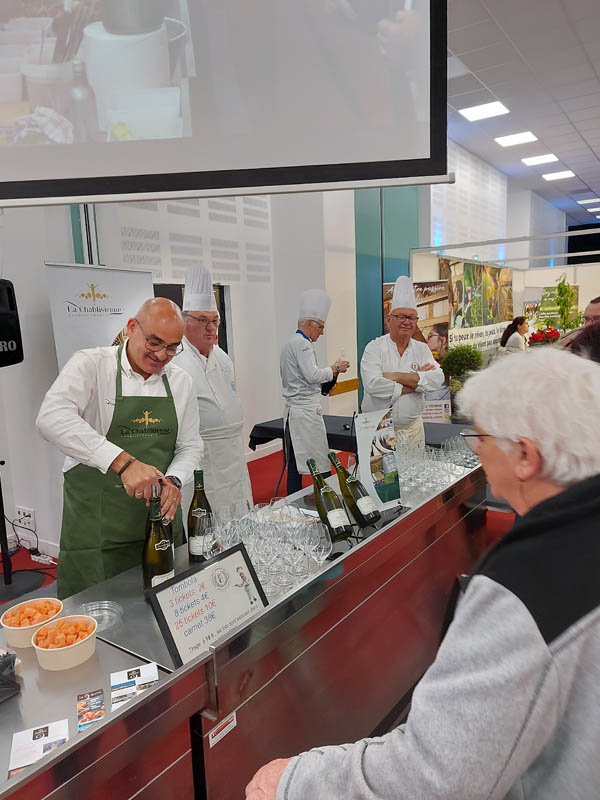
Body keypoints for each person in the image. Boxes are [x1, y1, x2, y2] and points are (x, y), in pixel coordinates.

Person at [246, 347, 600, 800]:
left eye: (481, 437)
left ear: (526, 457)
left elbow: (438, 773)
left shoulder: (526, 582)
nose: (475, 449)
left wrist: (294, 780)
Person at [36, 298, 203, 599]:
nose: (161, 355)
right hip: (98, 531)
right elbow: (51, 418)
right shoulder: (91, 365)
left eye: (171, 348)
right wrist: (123, 462)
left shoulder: (181, 382)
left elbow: (190, 445)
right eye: (154, 342)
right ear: (131, 328)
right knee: (97, 612)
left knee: (163, 606)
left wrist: (175, 479)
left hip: (160, 524)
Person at [175, 266, 252, 515]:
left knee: (238, 509)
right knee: (208, 516)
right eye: (202, 320)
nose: (211, 327)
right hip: (203, 456)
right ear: (185, 322)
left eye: (215, 321)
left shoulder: (222, 357)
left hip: (233, 452)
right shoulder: (174, 361)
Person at [360, 276, 444, 448]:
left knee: (414, 467)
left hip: (413, 429)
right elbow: (373, 384)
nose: (407, 322)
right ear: (389, 319)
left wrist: (395, 376)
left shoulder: (421, 349)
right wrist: (416, 382)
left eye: (412, 318)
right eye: (401, 317)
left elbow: (437, 379)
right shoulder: (374, 348)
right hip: (378, 427)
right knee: (381, 468)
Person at [280, 290, 349, 495]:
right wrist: (335, 368)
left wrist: (323, 385)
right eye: (321, 327)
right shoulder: (302, 345)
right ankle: (327, 498)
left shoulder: (290, 343)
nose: (322, 332)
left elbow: (302, 379)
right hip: (305, 414)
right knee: (319, 459)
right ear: (310, 323)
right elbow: (312, 375)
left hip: (295, 411)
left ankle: (293, 499)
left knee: (295, 461)